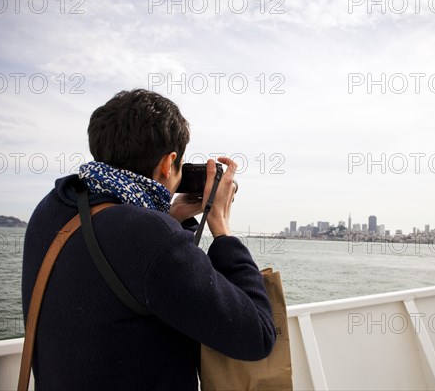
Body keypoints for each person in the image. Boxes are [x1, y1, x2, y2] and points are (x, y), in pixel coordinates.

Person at [22, 89, 276, 390]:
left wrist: (171, 216)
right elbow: (257, 335)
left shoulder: (51, 207)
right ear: (169, 163)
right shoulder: (154, 238)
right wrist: (220, 224)